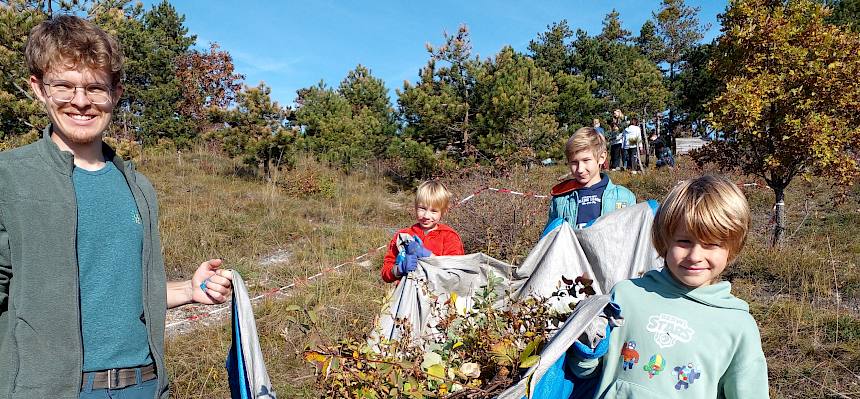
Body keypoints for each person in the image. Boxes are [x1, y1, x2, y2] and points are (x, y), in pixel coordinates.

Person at [0, 16, 233, 399]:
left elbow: (120, 289)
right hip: (49, 389)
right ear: (39, 89)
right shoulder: (10, 178)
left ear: (116, 93)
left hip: (142, 385)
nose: (81, 101)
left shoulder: (138, 187)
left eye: (95, 87)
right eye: (64, 87)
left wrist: (188, 290)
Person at [567, 175, 769, 398]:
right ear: (664, 241)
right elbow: (588, 373)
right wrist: (585, 349)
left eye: (712, 244)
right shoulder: (626, 296)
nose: (695, 256)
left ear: (732, 248)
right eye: (684, 241)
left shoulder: (737, 325)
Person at [546, 127, 636, 231]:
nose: (580, 169)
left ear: (602, 157)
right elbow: (549, 239)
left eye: (586, 160)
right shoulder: (561, 199)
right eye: (574, 162)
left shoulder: (624, 197)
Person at [381, 180, 465, 282]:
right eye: (422, 208)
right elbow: (386, 273)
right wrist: (399, 269)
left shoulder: (450, 237)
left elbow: (456, 275)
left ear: (443, 211)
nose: (426, 216)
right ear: (415, 206)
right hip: (409, 295)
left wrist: (428, 256)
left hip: (439, 296)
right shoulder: (403, 236)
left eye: (434, 211)